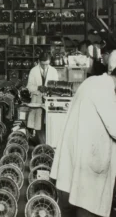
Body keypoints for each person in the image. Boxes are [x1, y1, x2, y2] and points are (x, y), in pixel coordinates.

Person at [51, 50, 116, 217]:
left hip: (73, 168)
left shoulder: (92, 82)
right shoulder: (104, 91)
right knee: (87, 208)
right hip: (88, 173)